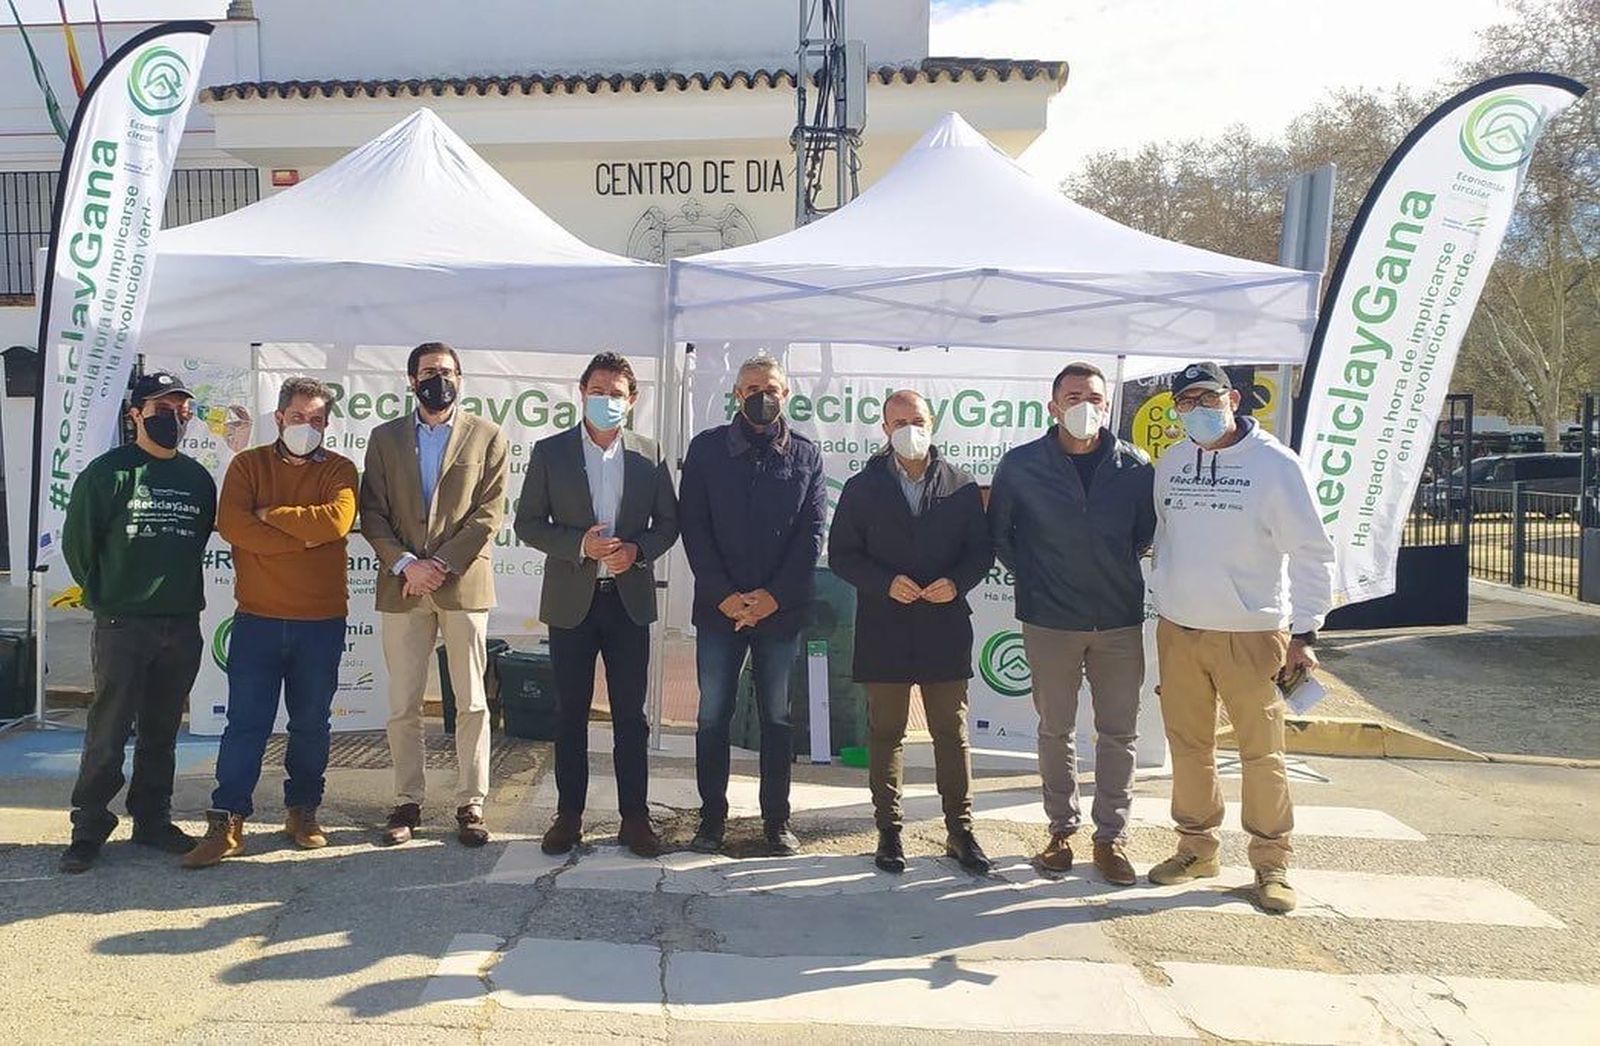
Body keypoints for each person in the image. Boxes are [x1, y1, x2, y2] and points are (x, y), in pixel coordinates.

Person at [1148, 361, 1335, 914]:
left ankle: (1271, 863)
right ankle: (1196, 848)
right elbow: (1164, 534)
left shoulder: (1275, 466)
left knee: (1261, 753)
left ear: (1232, 398)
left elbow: (1312, 551)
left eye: (1207, 399)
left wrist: (1305, 631)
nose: (1197, 412)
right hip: (1179, 629)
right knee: (1189, 747)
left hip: (1253, 633)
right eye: (1185, 404)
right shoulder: (1173, 460)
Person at [989, 362, 1155, 886]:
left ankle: (1112, 838)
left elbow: (1142, 536)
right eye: (1074, 395)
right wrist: (1038, 580)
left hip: (1117, 622)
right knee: (1054, 730)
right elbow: (1002, 536)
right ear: (1053, 404)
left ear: (1109, 405)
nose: (1086, 404)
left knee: (1118, 734)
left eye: (1095, 397)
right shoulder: (1021, 466)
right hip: (1050, 621)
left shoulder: (1136, 466)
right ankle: (1061, 832)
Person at [184, 377, 358, 869]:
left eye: (318, 420)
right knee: (245, 724)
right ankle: (226, 821)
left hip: (320, 621)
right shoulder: (247, 465)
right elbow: (236, 527)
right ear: (280, 417)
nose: (308, 427)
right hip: (257, 620)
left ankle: (302, 810)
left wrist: (272, 516)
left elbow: (335, 524)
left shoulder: (341, 469)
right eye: (299, 417)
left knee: (310, 724)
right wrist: (301, 538)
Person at [515, 352, 679, 858]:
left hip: (627, 601)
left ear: (632, 401)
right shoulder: (551, 452)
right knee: (570, 714)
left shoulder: (650, 455)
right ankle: (570, 815)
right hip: (572, 602)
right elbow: (527, 523)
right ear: (580, 392)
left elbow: (668, 524)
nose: (606, 400)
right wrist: (577, 545)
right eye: (598, 390)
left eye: (617, 393)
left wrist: (638, 550)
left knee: (631, 715)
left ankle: (635, 818)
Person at [828, 390, 994, 874]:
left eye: (917, 419)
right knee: (886, 732)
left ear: (934, 423)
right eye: (898, 421)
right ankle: (888, 830)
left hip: (944, 625)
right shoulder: (862, 488)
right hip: (885, 625)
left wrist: (956, 583)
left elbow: (980, 553)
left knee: (950, 731)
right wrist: (884, 584)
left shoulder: (962, 487)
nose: (908, 429)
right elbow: (843, 555)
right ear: (883, 429)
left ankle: (960, 831)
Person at [58, 373, 216, 873]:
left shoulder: (197, 478)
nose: (174, 417)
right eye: (162, 408)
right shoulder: (108, 473)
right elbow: (79, 546)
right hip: (124, 623)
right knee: (108, 729)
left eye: (181, 409)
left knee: (162, 729)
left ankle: (151, 818)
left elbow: (197, 542)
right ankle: (88, 827)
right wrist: (108, 595)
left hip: (181, 621)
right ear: (137, 414)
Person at [361, 342, 509, 848]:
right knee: (404, 702)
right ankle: (407, 799)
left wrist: (439, 565)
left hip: (462, 585)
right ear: (410, 381)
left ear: (460, 379)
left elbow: (488, 513)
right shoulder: (384, 439)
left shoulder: (488, 436)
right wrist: (407, 564)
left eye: (446, 372)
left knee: (471, 701)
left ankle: (472, 801)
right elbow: (373, 513)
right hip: (403, 586)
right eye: (428, 372)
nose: (437, 380)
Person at [679, 354, 826, 857]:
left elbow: (811, 535)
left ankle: (776, 821)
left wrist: (772, 598)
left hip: (778, 612)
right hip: (719, 609)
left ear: (786, 395)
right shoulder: (706, 450)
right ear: (736, 395)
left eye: (772, 388)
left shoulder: (805, 454)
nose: (762, 396)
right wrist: (725, 595)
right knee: (711, 717)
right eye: (751, 388)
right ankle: (711, 820)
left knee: (777, 719)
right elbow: (693, 527)